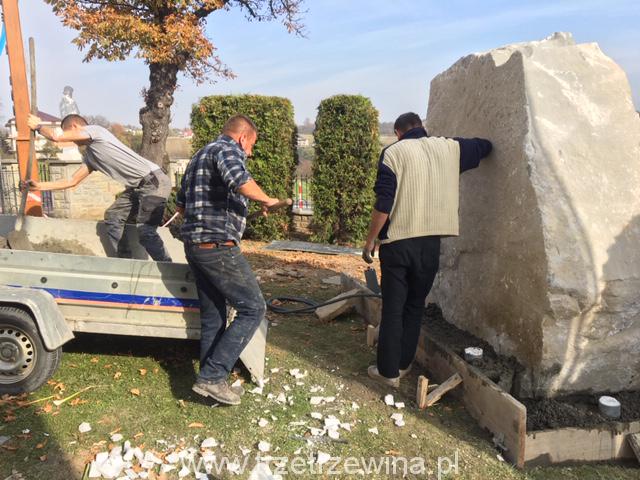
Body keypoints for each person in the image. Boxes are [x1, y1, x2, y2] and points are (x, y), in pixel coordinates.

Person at [362, 112, 492, 388]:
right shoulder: (450, 148)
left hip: (398, 243)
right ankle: (403, 364)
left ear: (398, 133)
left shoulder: (393, 153)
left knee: (393, 308)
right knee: (414, 307)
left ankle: (388, 373)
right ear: (422, 127)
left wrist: (370, 239)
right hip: (430, 245)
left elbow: (384, 203)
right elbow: (484, 146)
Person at [176, 114, 279, 406]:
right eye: (251, 145)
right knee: (253, 308)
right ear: (243, 138)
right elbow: (240, 180)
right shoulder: (226, 149)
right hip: (217, 246)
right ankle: (213, 376)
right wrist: (266, 199)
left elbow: (182, 205)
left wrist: (241, 210)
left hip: (196, 246)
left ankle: (210, 382)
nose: (250, 152)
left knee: (214, 316)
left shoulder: (199, 155)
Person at [26, 113, 172, 262]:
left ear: (75, 127)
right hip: (138, 187)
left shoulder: (95, 131)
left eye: (67, 132)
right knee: (113, 216)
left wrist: (38, 126)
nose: (71, 140)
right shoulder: (90, 156)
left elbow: (56, 137)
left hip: (154, 182)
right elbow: (72, 181)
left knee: (146, 231)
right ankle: (127, 262)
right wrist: (39, 186)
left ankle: (168, 267)